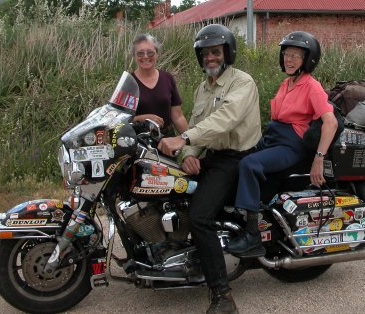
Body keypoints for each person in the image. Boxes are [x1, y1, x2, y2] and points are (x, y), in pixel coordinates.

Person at [157, 24, 261, 314]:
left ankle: (222, 296)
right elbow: (197, 124)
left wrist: (185, 140)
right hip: (214, 155)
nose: (210, 58)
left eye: (216, 52)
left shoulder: (242, 82)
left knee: (200, 216)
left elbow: (225, 119)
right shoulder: (204, 87)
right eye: (205, 53)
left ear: (227, 53)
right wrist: (189, 154)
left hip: (237, 159)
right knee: (172, 191)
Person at [226, 31, 339, 257]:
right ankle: (235, 219)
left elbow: (331, 122)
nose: (289, 59)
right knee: (233, 157)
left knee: (250, 164)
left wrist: (319, 159)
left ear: (308, 59)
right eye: (286, 54)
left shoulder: (311, 86)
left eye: (296, 55)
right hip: (274, 138)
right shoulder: (286, 83)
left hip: (292, 145)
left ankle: (252, 236)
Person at [130, 33, 188, 136]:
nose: (146, 57)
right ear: (134, 56)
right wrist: (143, 119)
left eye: (150, 53)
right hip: (139, 143)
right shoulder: (129, 83)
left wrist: (192, 141)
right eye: (140, 53)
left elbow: (178, 116)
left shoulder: (167, 78)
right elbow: (120, 120)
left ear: (157, 54)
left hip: (167, 142)